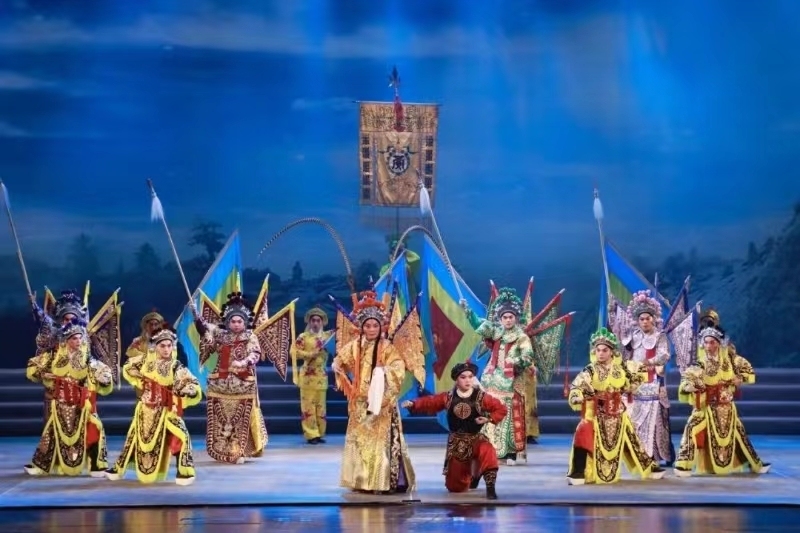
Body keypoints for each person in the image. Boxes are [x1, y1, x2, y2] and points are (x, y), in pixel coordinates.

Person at [330, 288, 425, 494]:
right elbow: (340, 359)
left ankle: (380, 482)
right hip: (359, 402)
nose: (372, 329)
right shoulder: (355, 346)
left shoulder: (388, 347)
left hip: (381, 402)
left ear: (381, 326)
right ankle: (361, 481)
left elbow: (398, 367)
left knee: (379, 443)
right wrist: (336, 365)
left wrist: (384, 371)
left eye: (375, 325)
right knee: (360, 443)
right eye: (368, 325)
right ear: (362, 327)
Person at [566, 327, 666, 485]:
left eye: (604, 350)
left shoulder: (621, 369)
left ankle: (649, 466)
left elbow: (632, 382)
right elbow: (577, 386)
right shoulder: (590, 370)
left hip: (618, 413)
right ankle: (578, 471)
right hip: (597, 414)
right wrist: (577, 396)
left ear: (612, 352)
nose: (600, 353)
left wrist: (637, 378)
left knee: (632, 441)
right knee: (582, 432)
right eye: (598, 350)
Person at [106, 323, 202, 485]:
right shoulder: (145, 362)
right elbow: (128, 367)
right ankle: (118, 468)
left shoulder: (176, 366)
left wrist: (189, 389)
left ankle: (184, 470)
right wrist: (141, 379)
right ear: (155, 346)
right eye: (162, 346)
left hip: (166, 410)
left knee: (180, 435)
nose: (166, 349)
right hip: (145, 409)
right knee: (134, 439)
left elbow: (191, 382)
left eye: (169, 346)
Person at [673, 324, 770, 477]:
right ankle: (683, 465)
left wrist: (740, 379)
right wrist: (688, 386)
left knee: (739, 434)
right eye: (706, 342)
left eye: (712, 342)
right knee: (691, 428)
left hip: (727, 407)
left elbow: (748, 372)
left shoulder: (731, 360)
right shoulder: (701, 362)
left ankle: (755, 464)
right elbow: (689, 377)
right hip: (707, 406)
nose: (708, 346)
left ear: (719, 343)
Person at [402, 360, 507, 499]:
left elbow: (501, 408)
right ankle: (473, 474)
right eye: (463, 377)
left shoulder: (481, 397)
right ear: (456, 380)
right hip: (457, 444)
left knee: (487, 450)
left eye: (470, 377)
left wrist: (488, 418)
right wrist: (413, 404)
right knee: (456, 488)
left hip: (475, 438)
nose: (467, 380)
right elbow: (431, 402)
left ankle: (490, 487)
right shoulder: (449, 397)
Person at [24, 318, 114, 477]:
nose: (78, 341)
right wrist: (44, 374)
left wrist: (105, 377)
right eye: (74, 339)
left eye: (80, 338)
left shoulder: (86, 357)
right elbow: (34, 366)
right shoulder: (54, 356)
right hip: (60, 404)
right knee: (51, 434)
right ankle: (40, 465)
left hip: (81, 404)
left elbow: (101, 370)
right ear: (66, 340)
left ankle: (95, 465)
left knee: (94, 428)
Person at [461, 287, 535, 465]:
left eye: (510, 317)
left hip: (511, 382)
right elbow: (479, 324)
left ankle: (509, 452)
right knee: (489, 413)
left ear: (516, 318)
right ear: (500, 319)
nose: (508, 320)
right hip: (492, 379)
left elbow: (528, 356)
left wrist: (514, 361)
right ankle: (490, 450)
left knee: (508, 416)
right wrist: (468, 311)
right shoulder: (495, 331)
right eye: (505, 317)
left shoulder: (521, 337)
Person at [608, 290, 675, 465]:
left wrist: (649, 362)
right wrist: (612, 312)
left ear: (653, 319)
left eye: (647, 318)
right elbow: (617, 336)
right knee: (633, 420)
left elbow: (665, 354)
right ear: (638, 321)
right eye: (642, 319)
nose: (645, 321)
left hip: (653, 383)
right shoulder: (634, 335)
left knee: (655, 422)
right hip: (634, 385)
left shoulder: (660, 336)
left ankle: (655, 456)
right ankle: (636, 453)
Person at [292, 307, 333, 444]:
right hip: (308, 376)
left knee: (321, 407)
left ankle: (320, 433)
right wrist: (310, 354)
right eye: (313, 320)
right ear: (309, 322)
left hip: (321, 376)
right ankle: (311, 434)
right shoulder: (303, 337)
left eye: (318, 320)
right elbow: (294, 352)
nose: (315, 323)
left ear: (322, 322)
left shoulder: (327, 336)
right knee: (308, 407)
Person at [125, 310, 165, 398]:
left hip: (160, 375)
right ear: (146, 326)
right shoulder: (138, 340)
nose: (153, 327)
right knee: (143, 400)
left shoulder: (165, 341)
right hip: (143, 376)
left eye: (156, 324)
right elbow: (129, 352)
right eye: (151, 324)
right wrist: (146, 357)